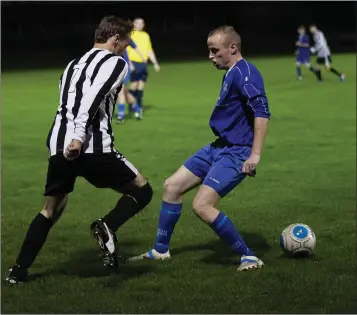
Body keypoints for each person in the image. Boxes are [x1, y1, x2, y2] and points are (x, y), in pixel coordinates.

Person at [5, 16, 153, 285]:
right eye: (126, 41)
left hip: (57, 145)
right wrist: (78, 137)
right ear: (115, 39)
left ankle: (18, 271)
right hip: (89, 146)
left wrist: (67, 140)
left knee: (51, 209)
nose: (128, 47)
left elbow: (67, 103)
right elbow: (91, 99)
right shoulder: (116, 62)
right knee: (142, 189)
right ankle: (107, 225)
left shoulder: (73, 64)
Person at [129, 26, 271, 272]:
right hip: (219, 147)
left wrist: (255, 154)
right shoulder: (231, 72)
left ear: (232, 48)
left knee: (202, 205)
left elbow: (262, 112)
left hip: (237, 151)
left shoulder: (246, 74)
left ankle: (248, 257)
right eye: (209, 51)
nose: (210, 56)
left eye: (215, 51)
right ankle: (160, 250)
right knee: (172, 186)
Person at [127, 17, 160, 120]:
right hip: (134, 63)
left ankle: (139, 107)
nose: (140, 25)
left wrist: (155, 63)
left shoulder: (146, 35)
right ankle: (131, 105)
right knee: (134, 85)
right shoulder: (130, 35)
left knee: (141, 86)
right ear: (134, 24)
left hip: (143, 64)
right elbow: (126, 51)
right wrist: (130, 64)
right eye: (138, 23)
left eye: (142, 23)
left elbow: (149, 50)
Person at [116, 39, 145, 123]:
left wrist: (142, 57)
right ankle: (137, 109)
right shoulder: (109, 38)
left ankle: (121, 116)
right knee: (125, 92)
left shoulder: (125, 37)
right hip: (114, 68)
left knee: (120, 90)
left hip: (124, 68)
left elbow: (135, 47)